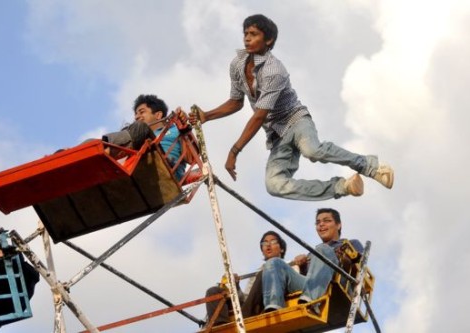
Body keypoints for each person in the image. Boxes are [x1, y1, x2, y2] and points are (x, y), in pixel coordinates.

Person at [188, 14, 394, 200]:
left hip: (296, 121)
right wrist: (206, 115)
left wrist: (234, 151)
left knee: (312, 150)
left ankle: (371, 166)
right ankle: (343, 187)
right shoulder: (237, 65)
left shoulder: (274, 71)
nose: (247, 38)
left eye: (253, 34)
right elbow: (236, 102)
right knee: (274, 185)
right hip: (276, 134)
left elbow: (259, 116)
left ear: (268, 40)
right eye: (245, 34)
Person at [262, 208, 363, 312]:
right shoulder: (312, 253)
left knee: (322, 249)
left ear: (338, 225)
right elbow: (307, 278)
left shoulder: (350, 243)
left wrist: (344, 257)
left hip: (337, 284)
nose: (321, 224)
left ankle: (311, 302)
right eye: (318, 222)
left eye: (327, 221)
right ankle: (274, 308)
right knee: (274, 262)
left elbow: (359, 269)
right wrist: (300, 265)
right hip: (311, 287)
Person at [205, 230, 292, 325]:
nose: (268, 245)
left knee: (263, 275)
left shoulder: (290, 266)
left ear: (282, 249)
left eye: (273, 242)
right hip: (251, 305)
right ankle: (221, 326)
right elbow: (247, 298)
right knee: (213, 291)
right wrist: (236, 287)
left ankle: (243, 317)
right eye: (264, 243)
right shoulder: (257, 273)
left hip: (267, 303)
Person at [103, 94, 188, 179]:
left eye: (142, 112)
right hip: (137, 166)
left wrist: (184, 128)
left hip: (166, 165)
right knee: (129, 130)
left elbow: (191, 157)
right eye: (136, 114)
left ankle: (102, 156)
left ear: (158, 115)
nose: (136, 117)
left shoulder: (175, 129)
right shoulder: (138, 135)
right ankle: (98, 151)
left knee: (140, 127)